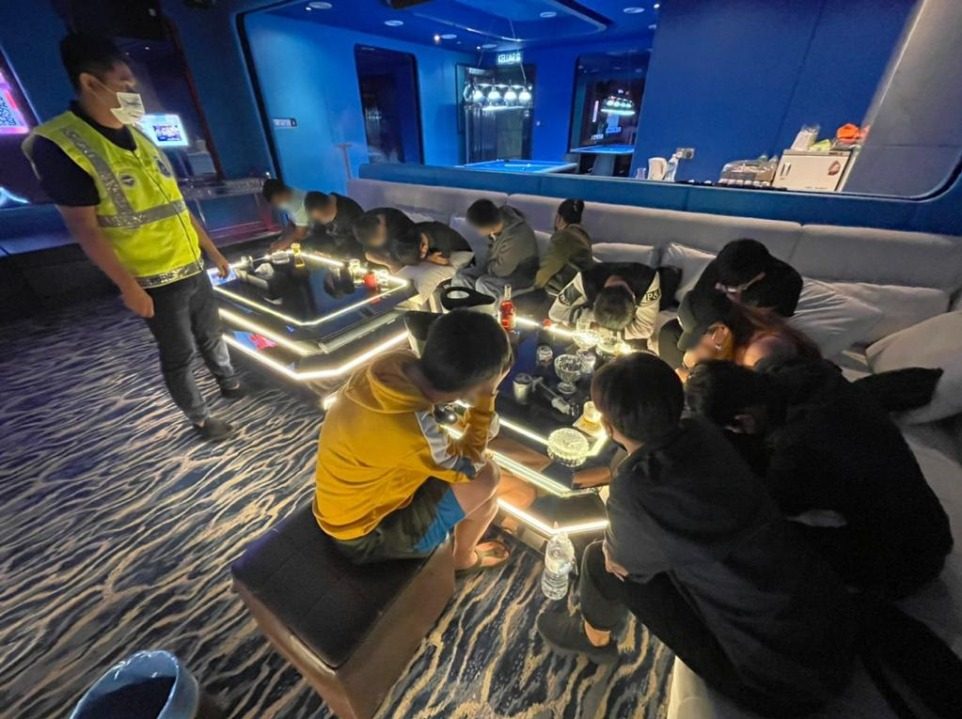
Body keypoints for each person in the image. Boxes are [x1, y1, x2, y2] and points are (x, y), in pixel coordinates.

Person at [537, 353, 855, 716]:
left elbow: (623, 566)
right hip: (832, 622)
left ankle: (592, 639)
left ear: (609, 428)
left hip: (780, 682)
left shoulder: (634, 486)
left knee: (598, 560)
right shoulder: (703, 431)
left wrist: (619, 547)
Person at [22, 34, 241, 441]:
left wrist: (213, 253)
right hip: (153, 279)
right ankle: (200, 418)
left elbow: (176, 206)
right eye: (124, 83)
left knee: (212, 334)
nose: (133, 91)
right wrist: (128, 287)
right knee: (179, 353)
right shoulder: (61, 145)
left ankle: (229, 381)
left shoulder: (140, 136)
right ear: (90, 83)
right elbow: (85, 229)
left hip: (191, 264)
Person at [685, 358, 953, 598]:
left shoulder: (796, 450)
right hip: (932, 527)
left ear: (743, 419)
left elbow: (771, 503)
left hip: (908, 565)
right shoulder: (807, 372)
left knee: (759, 536)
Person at [314, 310, 513, 571]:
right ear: (471, 391)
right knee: (486, 477)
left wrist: (478, 393)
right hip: (364, 536)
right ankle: (461, 561)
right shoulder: (411, 428)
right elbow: (469, 467)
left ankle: (463, 549)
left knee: (487, 495)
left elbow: (428, 432)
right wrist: (486, 399)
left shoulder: (393, 365)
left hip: (351, 501)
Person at [659, 239, 803, 366]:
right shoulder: (723, 266)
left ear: (759, 277)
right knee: (669, 333)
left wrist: (718, 340)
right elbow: (701, 297)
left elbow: (771, 327)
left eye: (735, 289)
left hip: (745, 333)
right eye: (724, 287)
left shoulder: (786, 283)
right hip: (713, 321)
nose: (729, 292)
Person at [675, 287, 819, 380]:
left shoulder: (758, 354)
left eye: (699, 339)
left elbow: (754, 405)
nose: (696, 346)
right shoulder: (745, 329)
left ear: (721, 331)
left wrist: (691, 379)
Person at [548, 262, 662, 344]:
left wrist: (606, 331)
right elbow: (555, 313)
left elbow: (645, 329)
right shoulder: (585, 279)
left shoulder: (648, 282)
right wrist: (592, 322)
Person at [453, 199, 538, 300]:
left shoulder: (516, 237)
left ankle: (486, 310)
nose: (478, 232)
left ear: (489, 228)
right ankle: (462, 307)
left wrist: (487, 266)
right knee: (462, 277)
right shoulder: (497, 224)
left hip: (521, 276)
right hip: (496, 267)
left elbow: (502, 271)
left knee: (484, 284)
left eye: (478, 229)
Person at [535, 198, 594, 294]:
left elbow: (548, 268)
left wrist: (532, 286)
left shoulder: (564, 237)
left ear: (559, 218)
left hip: (562, 292)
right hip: (579, 290)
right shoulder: (583, 236)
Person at [303, 190, 364, 259]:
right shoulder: (317, 209)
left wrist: (335, 254)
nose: (321, 221)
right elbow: (316, 231)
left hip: (349, 246)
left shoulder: (351, 213)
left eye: (323, 217)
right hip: (332, 242)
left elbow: (356, 241)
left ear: (328, 208)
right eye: (318, 219)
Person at [352, 207, 415, 272]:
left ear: (382, 226)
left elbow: (411, 255)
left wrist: (395, 265)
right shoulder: (365, 224)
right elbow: (368, 253)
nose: (380, 245)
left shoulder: (399, 225)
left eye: (381, 239)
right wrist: (390, 263)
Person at [392, 220, 474, 268]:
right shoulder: (408, 234)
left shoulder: (443, 239)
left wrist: (430, 258)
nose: (424, 251)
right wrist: (428, 257)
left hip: (466, 247)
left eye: (423, 245)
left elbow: (444, 261)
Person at [263, 179, 310, 251]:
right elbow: (292, 222)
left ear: (281, 194)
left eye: (278, 201)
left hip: (314, 237)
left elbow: (301, 233)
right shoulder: (290, 197)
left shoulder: (298, 204)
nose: (279, 205)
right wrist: (282, 239)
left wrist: (282, 244)